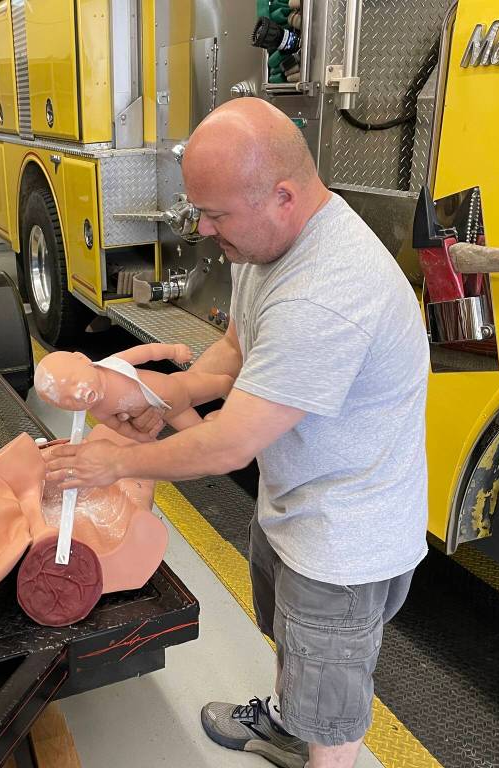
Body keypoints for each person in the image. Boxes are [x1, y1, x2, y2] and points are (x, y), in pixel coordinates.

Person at [45, 98, 429, 768]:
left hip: (343, 540)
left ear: (282, 195)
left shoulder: (326, 292)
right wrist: (169, 396)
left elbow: (230, 443)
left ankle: (320, 752)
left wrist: (113, 468)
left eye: (215, 214)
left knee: (331, 703)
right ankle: (285, 722)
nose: (203, 227)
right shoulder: (266, 239)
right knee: (290, 641)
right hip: (300, 501)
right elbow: (235, 347)